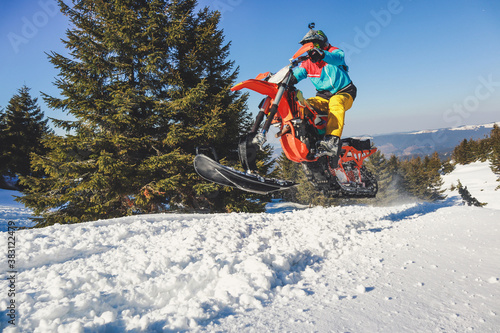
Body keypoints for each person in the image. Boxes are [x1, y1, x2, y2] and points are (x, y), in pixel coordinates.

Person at [292, 24, 357, 163]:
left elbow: (337, 58)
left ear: (323, 43)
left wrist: (323, 54)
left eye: (316, 44)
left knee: (336, 102)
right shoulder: (308, 63)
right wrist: (282, 79)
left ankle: (332, 140)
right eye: (309, 46)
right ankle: (312, 139)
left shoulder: (334, 52)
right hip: (323, 97)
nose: (313, 48)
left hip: (345, 92)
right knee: (303, 105)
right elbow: (296, 75)